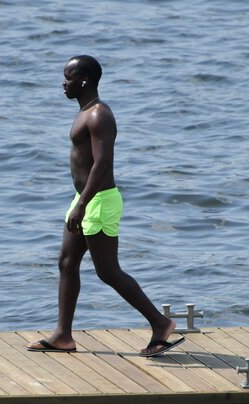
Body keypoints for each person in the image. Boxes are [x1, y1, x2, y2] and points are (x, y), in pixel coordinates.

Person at [27, 55, 184, 357]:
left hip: (97, 200)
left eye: (69, 77)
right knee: (67, 263)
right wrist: (80, 201)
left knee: (108, 271)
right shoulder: (86, 112)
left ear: (84, 80)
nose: (64, 83)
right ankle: (63, 335)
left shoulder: (99, 115)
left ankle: (161, 324)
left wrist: (83, 204)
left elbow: (103, 164)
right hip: (85, 198)